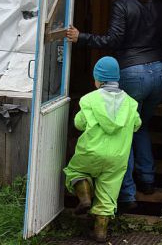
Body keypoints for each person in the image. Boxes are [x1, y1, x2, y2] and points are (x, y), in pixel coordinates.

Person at [66, 0, 162, 211]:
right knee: (140, 125)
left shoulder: (122, 5)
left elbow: (113, 40)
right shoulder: (161, 8)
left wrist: (82, 38)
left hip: (132, 72)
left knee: (123, 131)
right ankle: (148, 181)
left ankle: (127, 195)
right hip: (160, 70)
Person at [63, 56, 141, 243]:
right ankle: (100, 232)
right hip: (117, 157)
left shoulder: (89, 99)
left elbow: (79, 123)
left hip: (91, 151)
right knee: (108, 191)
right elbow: (137, 125)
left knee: (76, 171)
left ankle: (85, 197)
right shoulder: (131, 103)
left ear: (99, 79)